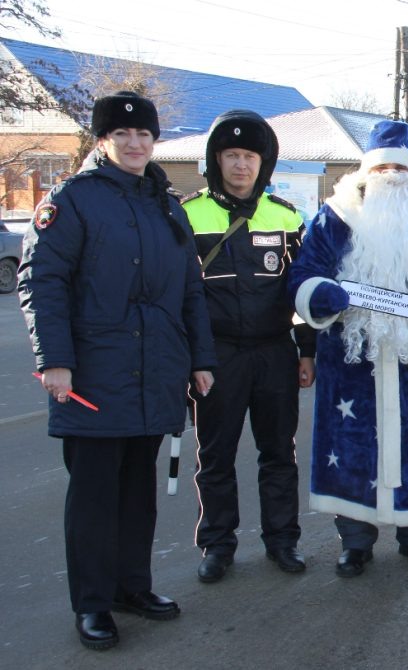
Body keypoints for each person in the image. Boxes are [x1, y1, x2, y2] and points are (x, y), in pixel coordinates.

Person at [17, 91, 216, 650]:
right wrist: (54, 360)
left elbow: (189, 291)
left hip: (156, 372)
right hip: (93, 378)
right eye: (122, 135)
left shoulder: (166, 204)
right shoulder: (72, 200)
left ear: (155, 142)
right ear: (102, 140)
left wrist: (200, 358)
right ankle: (93, 604)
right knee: (94, 497)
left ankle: (133, 587)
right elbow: (42, 282)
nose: (134, 144)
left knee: (137, 494)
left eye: (144, 136)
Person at [289, 120, 408, 577]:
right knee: (351, 448)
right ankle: (355, 542)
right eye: (382, 166)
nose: (391, 175)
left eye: (400, 166)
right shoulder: (337, 213)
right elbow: (305, 270)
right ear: (365, 172)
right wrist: (317, 294)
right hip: (351, 358)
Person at [182, 110, 315, 583]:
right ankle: (217, 546)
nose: (241, 165)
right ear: (216, 160)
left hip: (274, 352)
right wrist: (191, 360)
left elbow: (303, 294)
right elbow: (178, 297)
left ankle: (283, 541)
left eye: (250, 157)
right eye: (231, 155)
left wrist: (306, 351)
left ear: (265, 162)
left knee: (279, 453)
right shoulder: (187, 215)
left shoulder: (287, 217)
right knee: (215, 457)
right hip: (215, 358)